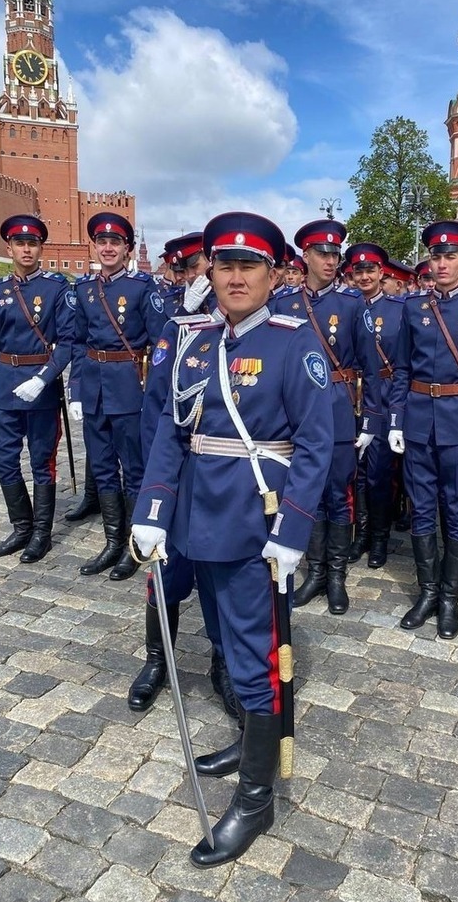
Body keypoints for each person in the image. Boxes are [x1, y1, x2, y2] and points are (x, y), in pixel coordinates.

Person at [131, 211, 334, 868]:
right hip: (199, 520)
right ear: (209, 271)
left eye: (251, 265)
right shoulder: (195, 342)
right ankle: (251, 737)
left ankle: (255, 797)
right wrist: (153, 511)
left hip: (254, 522)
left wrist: (294, 529)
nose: (236, 276)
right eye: (225, 264)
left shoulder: (292, 341)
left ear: (275, 273)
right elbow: (172, 430)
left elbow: (315, 443)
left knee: (254, 654)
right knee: (222, 637)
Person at [129, 231, 236, 719]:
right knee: (165, 574)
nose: (190, 278)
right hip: (173, 473)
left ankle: (224, 662)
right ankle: (157, 659)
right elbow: (157, 411)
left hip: (218, 475)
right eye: (182, 272)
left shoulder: (240, 330)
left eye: (195, 268)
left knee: (217, 576)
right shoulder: (175, 329)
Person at [388, 221, 458, 634]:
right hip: (419, 419)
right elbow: (401, 368)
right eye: (435, 256)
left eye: (449, 256)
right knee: (421, 508)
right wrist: (396, 419)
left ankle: (450, 599)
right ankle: (427, 591)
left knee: (456, 509)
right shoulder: (413, 307)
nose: (441, 264)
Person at [275, 219, 382, 614]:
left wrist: (371, 419)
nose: (331, 260)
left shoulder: (353, 304)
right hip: (296, 412)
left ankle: (336, 575)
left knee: (338, 496)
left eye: (336, 254)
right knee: (305, 494)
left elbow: (371, 369)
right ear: (305, 256)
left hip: (338, 410)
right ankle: (314, 571)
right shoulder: (282, 303)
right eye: (323, 253)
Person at [69, 212, 165, 580]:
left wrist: (152, 391)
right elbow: (77, 343)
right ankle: (111, 542)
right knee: (103, 467)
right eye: (102, 242)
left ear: (127, 249)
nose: (108, 248)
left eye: (116, 242)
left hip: (129, 387)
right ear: (95, 245)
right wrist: (76, 389)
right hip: (94, 389)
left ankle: (132, 545)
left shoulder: (143, 288)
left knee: (134, 471)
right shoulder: (84, 289)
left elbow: (161, 345)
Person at [0, 215, 74, 563]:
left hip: (39, 387)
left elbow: (66, 343)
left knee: (41, 461)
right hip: (5, 386)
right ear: (9, 248)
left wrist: (43, 379)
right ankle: (21, 528)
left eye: (32, 243)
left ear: (40, 248)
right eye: (20, 243)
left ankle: (41, 535)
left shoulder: (56, 288)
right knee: (3, 459)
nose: (26, 249)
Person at [346, 242, 404, 568]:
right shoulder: (347, 306)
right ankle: (360, 533)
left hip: (382, 394)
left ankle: (379, 538)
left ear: (382, 273)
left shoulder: (398, 309)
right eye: (359, 270)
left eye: (370, 270)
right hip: (351, 396)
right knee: (356, 473)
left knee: (379, 473)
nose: (365, 275)